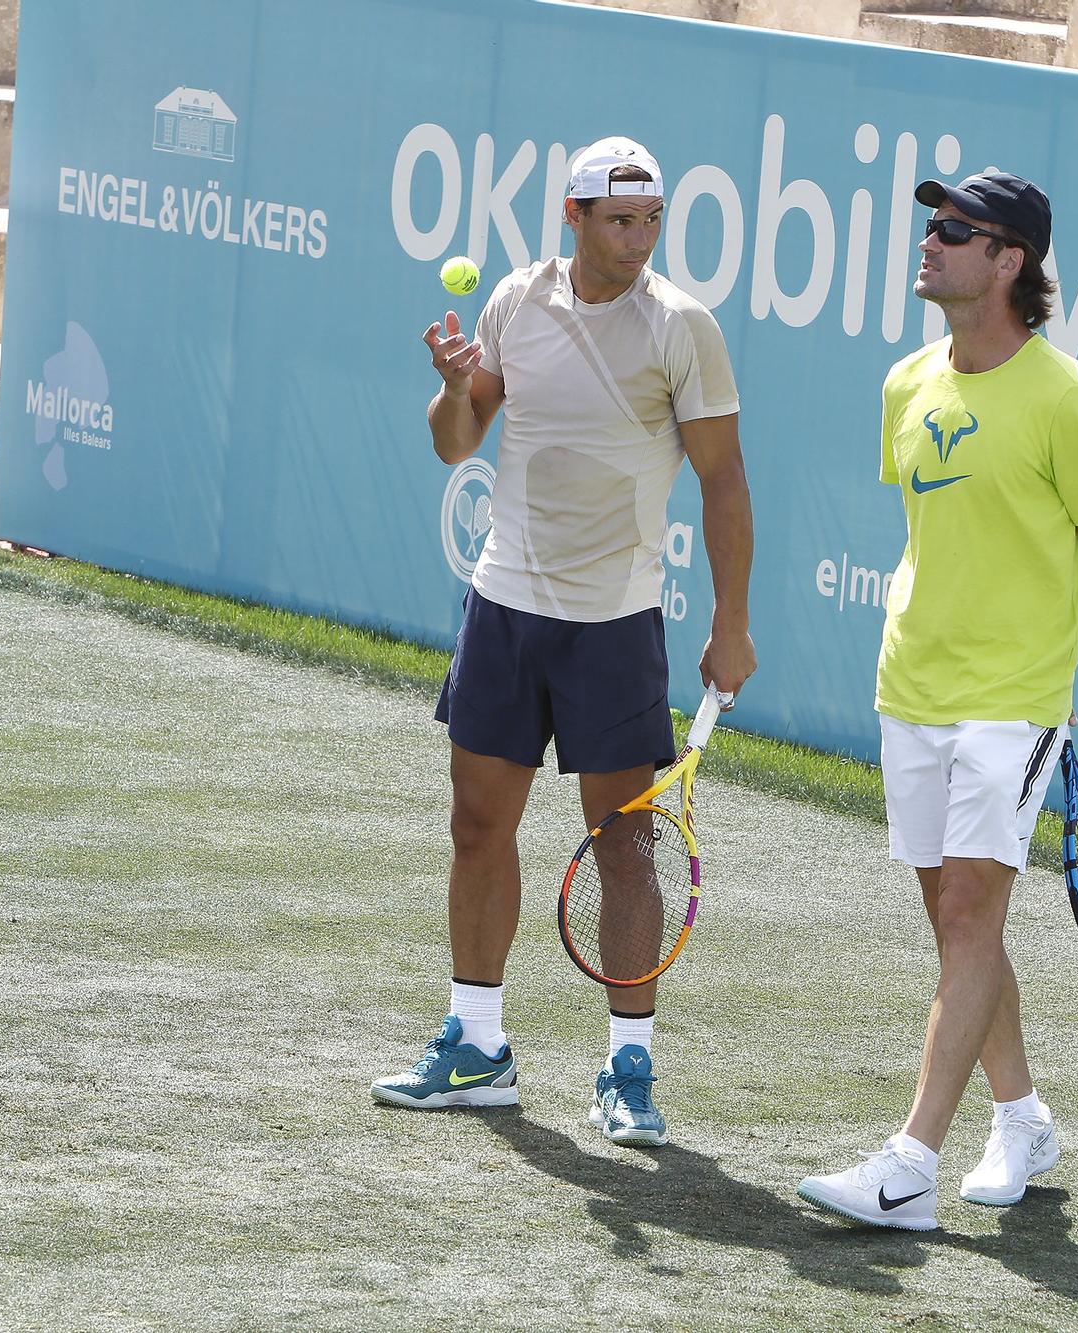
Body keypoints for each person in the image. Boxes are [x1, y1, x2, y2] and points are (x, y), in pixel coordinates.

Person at [371, 136, 757, 1148]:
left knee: (624, 845)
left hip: (614, 622)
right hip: (503, 605)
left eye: (650, 222)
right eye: (618, 220)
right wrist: (455, 385)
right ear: (573, 216)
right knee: (473, 825)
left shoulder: (682, 328)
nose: (636, 239)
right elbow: (457, 440)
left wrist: (732, 619)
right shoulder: (512, 302)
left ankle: (628, 1065)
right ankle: (476, 1045)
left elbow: (722, 479)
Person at [797, 170, 1078, 1227]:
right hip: (911, 684)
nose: (929, 242)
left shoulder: (1066, 402)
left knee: (965, 914)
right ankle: (1022, 1116)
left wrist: (1037, 664)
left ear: (1010, 262)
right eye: (930, 225)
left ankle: (907, 1169)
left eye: (955, 230)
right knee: (957, 930)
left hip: (1011, 697)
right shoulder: (906, 384)